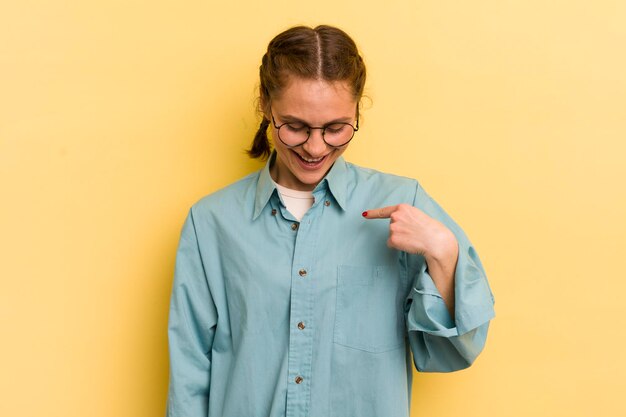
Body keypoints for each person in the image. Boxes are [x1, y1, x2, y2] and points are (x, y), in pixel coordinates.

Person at [166, 25, 495, 417]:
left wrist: (444, 253)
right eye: (296, 127)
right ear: (265, 106)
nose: (316, 147)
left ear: (357, 112)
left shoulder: (404, 204)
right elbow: (189, 372)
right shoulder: (211, 223)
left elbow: (455, 351)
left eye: (336, 128)